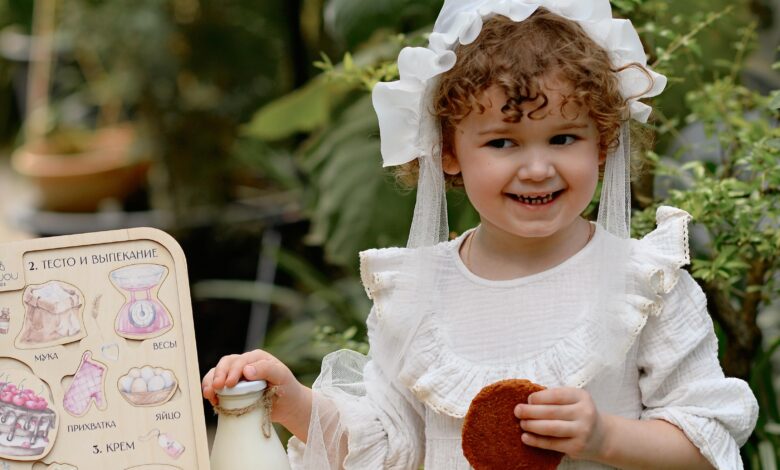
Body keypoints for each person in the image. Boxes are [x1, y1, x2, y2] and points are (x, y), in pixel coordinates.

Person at [202, 1, 758, 468]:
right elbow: (390, 448)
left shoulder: (647, 285)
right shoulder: (417, 296)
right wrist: (294, 404)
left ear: (604, 141)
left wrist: (604, 436)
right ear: (448, 151)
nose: (537, 168)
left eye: (564, 138)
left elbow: (707, 440)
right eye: (502, 142)